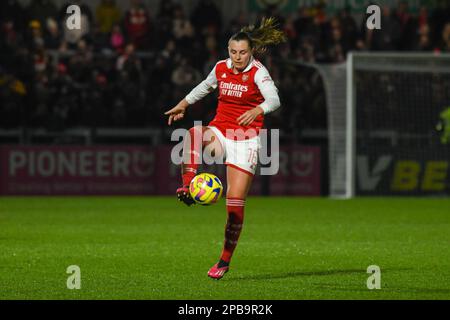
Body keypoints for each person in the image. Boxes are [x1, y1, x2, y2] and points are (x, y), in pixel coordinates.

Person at [164, 18, 286, 280]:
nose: (238, 57)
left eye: (243, 52)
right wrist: (183, 104)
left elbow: (274, 99)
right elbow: (206, 86)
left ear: (251, 51)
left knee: (234, 207)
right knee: (194, 133)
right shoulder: (221, 67)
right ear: (228, 50)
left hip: (246, 141)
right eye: (233, 52)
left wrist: (258, 109)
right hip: (221, 131)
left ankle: (224, 260)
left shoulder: (258, 72)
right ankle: (187, 185)